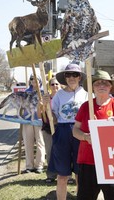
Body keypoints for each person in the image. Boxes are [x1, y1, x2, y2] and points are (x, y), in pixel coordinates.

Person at [73, 69, 114, 200]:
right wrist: (85, 137)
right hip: (88, 161)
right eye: (97, 83)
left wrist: (113, 125)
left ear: (110, 87)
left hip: (113, 163)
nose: (102, 86)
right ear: (92, 87)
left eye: (105, 83)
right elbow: (75, 130)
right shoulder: (86, 106)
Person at [48, 63, 88, 200]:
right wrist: (47, 107)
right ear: (65, 77)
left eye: (75, 74)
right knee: (62, 175)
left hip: (80, 132)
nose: (71, 78)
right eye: (68, 75)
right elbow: (53, 119)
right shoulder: (59, 95)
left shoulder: (87, 94)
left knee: (80, 174)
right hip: (62, 131)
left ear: (80, 77)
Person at [37, 77, 60, 183]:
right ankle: (51, 175)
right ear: (49, 86)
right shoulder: (45, 98)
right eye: (52, 84)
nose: (55, 86)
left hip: (60, 127)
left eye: (56, 84)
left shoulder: (62, 97)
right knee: (50, 151)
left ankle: (66, 175)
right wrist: (41, 106)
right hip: (48, 128)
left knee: (63, 152)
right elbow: (39, 115)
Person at [22, 75, 45, 174]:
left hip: (39, 120)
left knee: (40, 142)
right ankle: (29, 166)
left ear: (40, 81)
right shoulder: (26, 92)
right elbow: (22, 105)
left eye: (36, 79)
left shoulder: (43, 92)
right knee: (28, 142)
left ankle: (39, 165)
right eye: (32, 79)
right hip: (27, 120)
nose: (34, 81)